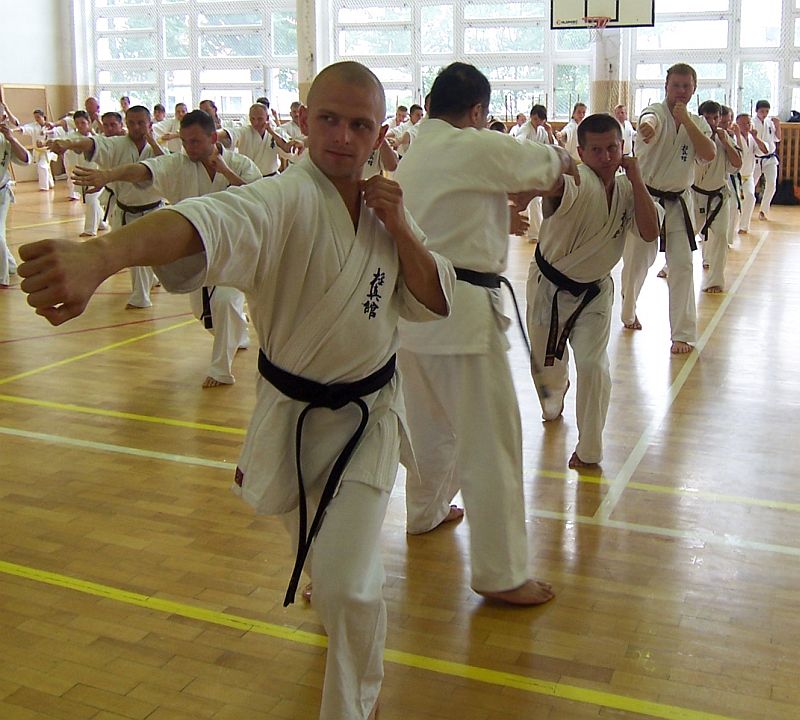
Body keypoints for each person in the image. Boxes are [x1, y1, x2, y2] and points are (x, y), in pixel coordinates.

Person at [19, 61, 454, 720]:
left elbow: (435, 298)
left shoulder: (386, 207)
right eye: (329, 119)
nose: (342, 136)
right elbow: (204, 220)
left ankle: (351, 706)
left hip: (368, 418)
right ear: (303, 122)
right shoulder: (282, 198)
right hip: (289, 415)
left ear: (380, 133)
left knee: (351, 586)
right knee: (315, 544)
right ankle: (325, 577)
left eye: (359, 124)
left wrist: (401, 230)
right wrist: (103, 255)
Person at [394, 62, 577, 606]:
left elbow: (461, 206)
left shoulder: (417, 151)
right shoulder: (468, 144)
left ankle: (425, 512)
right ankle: (501, 573)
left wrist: (500, 210)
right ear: (477, 111)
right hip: (461, 317)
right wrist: (564, 158)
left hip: (412, 319)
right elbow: (547, 165)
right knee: (491, 444)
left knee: (429, 428)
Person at [73, 109, 261, 387]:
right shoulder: (178, 164)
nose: (188, 147)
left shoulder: (240, 164)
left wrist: (226, 171)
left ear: (213, 138)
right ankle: (238, 332)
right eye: (184, 141)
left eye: (195, 141)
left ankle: (221, 369)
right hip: (194, 251)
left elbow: (258, 198)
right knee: (202, 313)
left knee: (224, 301)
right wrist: (107, 175)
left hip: (234, 249)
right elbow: (143, 170)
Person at [526, 113, 659, 468]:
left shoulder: (628, 189)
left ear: (623, 147)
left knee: (593, 365)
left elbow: (650, 233)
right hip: (549, 287)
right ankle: (556, 393)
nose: (606, 156)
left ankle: (589, 450)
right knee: (547, 375)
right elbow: (553, 188)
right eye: (596, 150)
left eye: (613, 148)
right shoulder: (577, 180)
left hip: (596, 292)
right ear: (581, 152)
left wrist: (638, 179)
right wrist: (534, 186)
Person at [618, 63, 715, 352]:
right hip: (646, 199)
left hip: (678, 202)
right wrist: (646, 128)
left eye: (686, 86)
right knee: (637, 263)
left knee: (682, 265)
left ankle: (681, 333)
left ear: (694, 89)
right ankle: (628, 310)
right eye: (676, 85)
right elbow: (648, 124)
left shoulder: (698, 123)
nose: (681, 91)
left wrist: (686, 121)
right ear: (666, 87)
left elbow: (709, 153)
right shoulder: (655, 112)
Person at [48, 105, 166, 309]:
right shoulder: (118, 144)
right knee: (125, 253)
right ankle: (149, 281)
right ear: (126, 124)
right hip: (124, 209)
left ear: (150, 125)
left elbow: (164, 165)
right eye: (131, 123)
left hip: (152, 210)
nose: (136, 127)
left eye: (141, 123)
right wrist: (68, 143)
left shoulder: (157, 148)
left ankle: (140, 297)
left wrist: (153, 141)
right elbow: (93, 143)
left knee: (138, 254)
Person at [690, 101, 741, 294]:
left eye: (715, 117)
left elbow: (736, 165)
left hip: (719, 195)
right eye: (707, 117)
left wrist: (726, 142)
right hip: (695, 194)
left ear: (720, 118)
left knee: (720, 235)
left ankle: (715, 280)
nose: (711, 122)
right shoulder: (693, 136)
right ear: (700, 117)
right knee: (685, 236)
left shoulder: (725, 137)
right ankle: (670, 266)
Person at [516, 105, 557, 243]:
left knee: (533, 200)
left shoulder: (541, 130)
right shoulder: (525, 129)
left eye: (541, 120)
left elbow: (550, 146)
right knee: (534, 200)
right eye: (537, 119)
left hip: (538, 168)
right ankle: (535, 233)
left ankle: (529, 227)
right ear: (532, 117)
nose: (539, 122)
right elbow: (518, 143)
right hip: (526, 169)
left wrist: (549, 132)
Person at [0, 103, 31, 287]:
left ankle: (1, 278)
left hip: (1, 193)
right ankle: (10, 265)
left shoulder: (6, 140)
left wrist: (11, 138)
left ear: (3, 118)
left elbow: (26, 160)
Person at [220, 103, 293, 177]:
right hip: (249, 178)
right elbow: (232, 133)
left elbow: (288, 150)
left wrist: (272, 133)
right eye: (252, 119)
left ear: (267, 118)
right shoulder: (244, 131)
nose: (255, 122)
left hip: (272, 177)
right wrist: (216, 134)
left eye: (260, 119)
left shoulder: (277, 132)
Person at [733, 113, 768, 235]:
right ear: (737, 124)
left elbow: (764, 150)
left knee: (750, 197)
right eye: (742, 124)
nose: (746, 126)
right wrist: (737, 135)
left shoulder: (752, 138)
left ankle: (744, 227)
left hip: (748, 176)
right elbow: (739, 152)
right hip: (734, 176)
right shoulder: (733, 137)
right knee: (733, 204)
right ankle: (729, 231)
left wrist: (756, 137)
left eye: (748, 123)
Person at [751, 99, 781, 222]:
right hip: (756, 159)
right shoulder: (751, 123)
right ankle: (745, 208)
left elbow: (778, 138)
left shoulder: (770, 122)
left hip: (770, 158)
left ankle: (763, 210)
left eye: (767, 111)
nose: (764, 114)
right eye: (762, 111)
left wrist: (778, 126)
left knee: (772, 184)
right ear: (756, 111)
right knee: (750, 185)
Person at [15, 110, 57, 191]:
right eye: (35, 117)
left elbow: (55, 135)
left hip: (48, 151)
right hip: (38, 151)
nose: (36, 119)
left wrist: (46, 134)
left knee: (42, 165)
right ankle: (50, 183)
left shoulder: (50, 126)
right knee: (45, 166)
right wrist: (14, 130)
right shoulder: (34, 126)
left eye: (38, 117)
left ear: (43, 117)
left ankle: (44, 187)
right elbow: (25, 128)